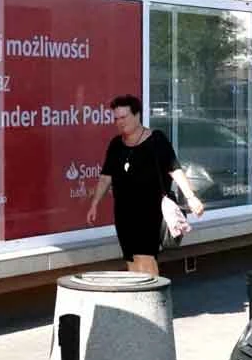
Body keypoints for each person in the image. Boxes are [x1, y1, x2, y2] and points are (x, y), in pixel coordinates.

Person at [86, 95, 204, 276]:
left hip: (150, 210)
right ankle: (139, 292)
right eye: (116, 118)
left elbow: (174, 169)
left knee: (146, 257)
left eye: (123, 117)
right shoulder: (116, 145)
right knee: (131, 258)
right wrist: (95, 204)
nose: (119, 122)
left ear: (137, 115)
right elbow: (106, 177)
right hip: (124, 212)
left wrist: (191, 197)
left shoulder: (156, 140)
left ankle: (153, 292)